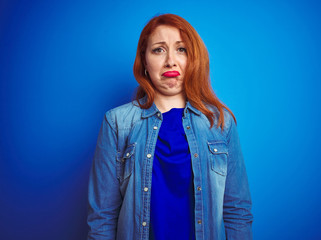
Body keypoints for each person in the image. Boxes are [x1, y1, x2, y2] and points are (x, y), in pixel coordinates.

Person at [87, 13, 253, 240]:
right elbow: (102, 217)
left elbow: (237, 211)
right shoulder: (117, 123)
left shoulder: (220, 122)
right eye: (159, 50)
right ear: (144, 60)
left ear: (193, 58)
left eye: (181, 49)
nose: (171, 61)